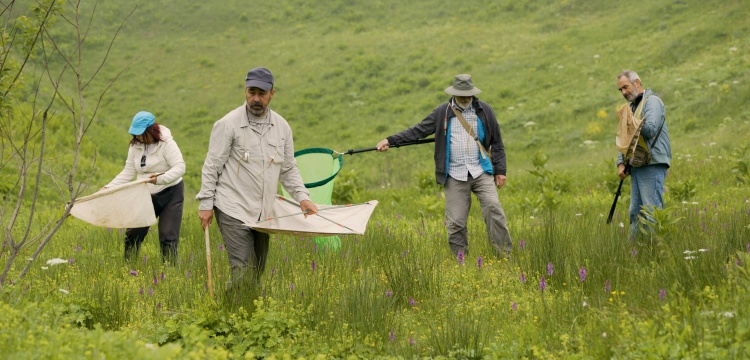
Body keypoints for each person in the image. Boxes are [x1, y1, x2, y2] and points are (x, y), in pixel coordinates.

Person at [196, 67, 317, 287]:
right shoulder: (228, 124)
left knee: (258, 268)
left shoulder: (281, 127)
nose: (256, 99)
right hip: (232, 207)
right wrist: (205, 204)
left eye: (262, 93)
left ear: (272, 93)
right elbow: (212, 166)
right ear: (245, 91)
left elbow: (288, 167)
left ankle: (246, 313)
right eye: (252, 92)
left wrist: (302, 197)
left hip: (263, 211)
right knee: (243, 268)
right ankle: (235, 317)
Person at [375, 74, 512, 258]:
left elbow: (497, 142)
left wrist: (500, 170)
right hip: (454, 174)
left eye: (468, 95)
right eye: (461, 95)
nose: (465, 99)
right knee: (456, 222)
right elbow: (418, 130)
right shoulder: (442, 113)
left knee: (494, 209)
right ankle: (460, 260)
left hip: (481, 171)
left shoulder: (484, 110)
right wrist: (390, 140)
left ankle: (504, 255)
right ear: (454, 94)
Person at [104, 111, 186, 263]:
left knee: (168, 235)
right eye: (137, 135)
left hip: (171, 192)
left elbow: (180, 167)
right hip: (145, 193)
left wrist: (159, 179)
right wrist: (108, 188)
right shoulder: (135, 146)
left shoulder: (167, 144)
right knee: (134, 233)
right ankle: (129, 266)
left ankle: (170, 273)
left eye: (142, 134)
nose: (139, 138)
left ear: (151, 130)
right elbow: (128, 171)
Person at [615, 70, 671, 239]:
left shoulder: (652, 102)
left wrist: (632, 122)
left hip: (652, 163)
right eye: (621, 90)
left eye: (626, 87)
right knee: (635, 213)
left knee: (651, 211)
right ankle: (635, 253)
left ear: (637, 83)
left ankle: (658, 251)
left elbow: (651, 129)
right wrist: (621, 163)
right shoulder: (631, 108)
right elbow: (623, 139)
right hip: (636, 164)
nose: (624, 92)